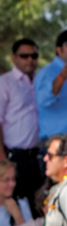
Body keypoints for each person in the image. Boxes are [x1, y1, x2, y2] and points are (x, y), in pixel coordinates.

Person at [0, 38, 43, 207]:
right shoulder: (5, 82)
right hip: (13, 156)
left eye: (34, 56)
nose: (30, 60)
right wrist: (2, 156)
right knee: (13, 204)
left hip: (37, 155)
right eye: (24, 56)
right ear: (14, 58)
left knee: (36, 205)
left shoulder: (40, 82)